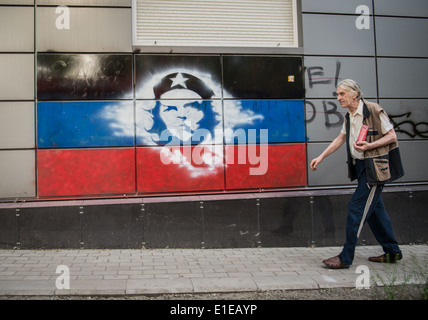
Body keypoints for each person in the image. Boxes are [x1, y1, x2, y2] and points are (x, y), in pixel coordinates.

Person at [310, 79, 404, 269]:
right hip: (361, 167)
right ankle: (392, 252)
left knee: (356, 208)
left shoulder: (373, 110)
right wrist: (321, 157)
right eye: (338, 94)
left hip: (374, 169)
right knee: (376, 212)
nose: (338, 98)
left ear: (354, 93)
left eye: (342, 94)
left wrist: (370, 145)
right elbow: (341, 138)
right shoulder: (350, 115)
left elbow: (392, 136)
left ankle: (346, 257)